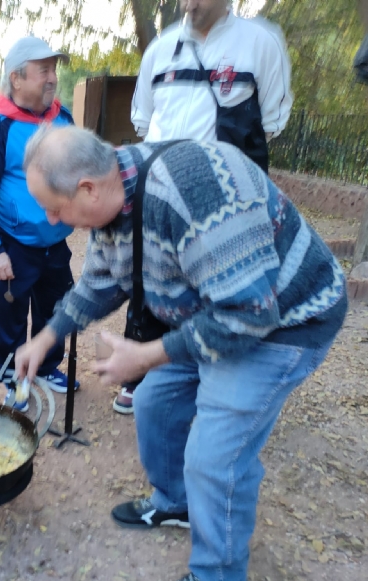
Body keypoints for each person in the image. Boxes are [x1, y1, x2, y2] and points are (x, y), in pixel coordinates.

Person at [16, 126, 346, 581]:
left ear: (87, 188)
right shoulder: (109, 204)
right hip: (212, 314)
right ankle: (177, 504)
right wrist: (45, 338)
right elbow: (97, 284)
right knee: (154, 402)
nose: (50, 219)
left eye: (55, 207)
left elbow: (251, 314)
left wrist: (146, 355)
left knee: (215, 458)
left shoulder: (193, 189)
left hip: (284, 323)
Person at [120, 0, 293, 415]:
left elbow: (270, 122)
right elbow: (144, 122)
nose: (189, 3)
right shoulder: (159, 50)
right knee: (154, 281)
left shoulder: (260, 45)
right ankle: (140, 374)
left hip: (226, 204)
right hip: (160, 198)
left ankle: (216, 380)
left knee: (222, 289)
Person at [0, 36, 79, 410]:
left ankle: (45, 367)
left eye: (54, 70)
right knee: (11, 319)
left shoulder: (63, 118)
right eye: (43, 70)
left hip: (55, 244)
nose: (52, 78)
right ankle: (15, 380)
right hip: (12, 246)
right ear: (16, 78)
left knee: (54, 310)